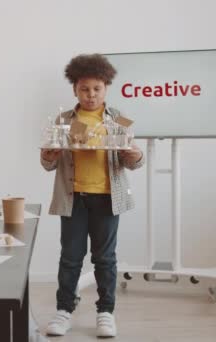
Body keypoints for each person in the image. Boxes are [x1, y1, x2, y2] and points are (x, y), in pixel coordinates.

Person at [41, 54, 145, 338]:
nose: (90, 95)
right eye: (84, 89)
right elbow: (49, 163)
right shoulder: (65, 120)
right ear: (75, 88)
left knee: (105, 258)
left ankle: (106, 312)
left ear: (106, 88)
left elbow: (133, 160)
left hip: (108, 198)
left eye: (96, 89)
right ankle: (64, 310)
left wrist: (136, 155)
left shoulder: (118, 118)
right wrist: (48, 155)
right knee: (71, 257)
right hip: (73, 197)